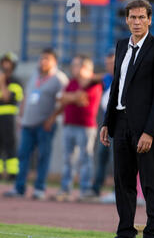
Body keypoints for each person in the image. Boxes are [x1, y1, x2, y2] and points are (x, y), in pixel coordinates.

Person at [95, 0, 154, 238]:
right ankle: (126, 234)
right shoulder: (120, 46)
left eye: (142, 17)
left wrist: (149, 131)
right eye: (133, 17)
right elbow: (116, 86)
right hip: (120, 123)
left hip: (146, 127)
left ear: (150, 19)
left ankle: (151, 236)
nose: (137, 22)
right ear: (127, 20)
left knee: (150, 183)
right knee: (123, 181)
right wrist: (107, 121)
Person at [3, 48, 68, 199]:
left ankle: (39, 188)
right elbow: (27, 96)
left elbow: (63, 102)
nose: (43, 61)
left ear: (54, 62)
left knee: (43, 157)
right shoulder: (35, 75)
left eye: (47, 59)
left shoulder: (59, 78)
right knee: (23, 156)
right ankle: (19, 188)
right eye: (41, 58)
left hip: (44, 124)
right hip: (28, 123)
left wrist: (51, 119)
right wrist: (21, 116)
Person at [47, 55, 102, 202]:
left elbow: (82, 99)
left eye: (76, 65)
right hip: (69, 124)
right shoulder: (72, 82)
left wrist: (68, 97)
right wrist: (72, 97)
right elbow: (61, 98)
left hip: (85, 127)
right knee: (68, 159)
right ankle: (65, 189)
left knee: (85, 158)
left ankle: (85, 190)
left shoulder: (92, 83)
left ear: (84, 68)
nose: (73, 68)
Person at [91, 51, 115, 198]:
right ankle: (96, 188)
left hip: (118, 125)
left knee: (115, 160)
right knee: (101, 156)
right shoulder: (106, 78)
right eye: (107, 64)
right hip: (106, 124)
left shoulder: (123, 77)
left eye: (111, 63)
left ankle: (116, 190)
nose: (109, 66)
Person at [0, 52, 23, 181]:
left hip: (9, 118)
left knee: (10, 145)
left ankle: (12, 173)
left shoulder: (15, 81)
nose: (5, 65)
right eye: (4, 62)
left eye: (8, 62)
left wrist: (3, 81)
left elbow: (8, 97)